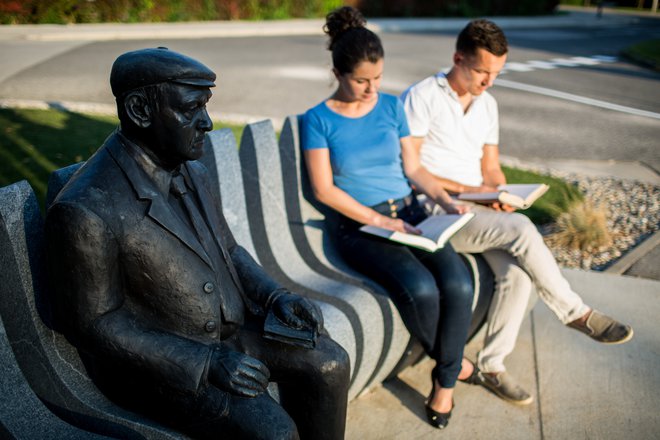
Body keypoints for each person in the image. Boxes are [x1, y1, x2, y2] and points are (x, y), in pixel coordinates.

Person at [45, 47, 350, 440]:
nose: (206, 122)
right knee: (274, 433)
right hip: (163, 365)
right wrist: (204, 362)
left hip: (227, 335)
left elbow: (231, 251)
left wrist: (276, 297)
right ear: (139, 110)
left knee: (330, 363)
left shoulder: (192, 170)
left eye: (205, 106)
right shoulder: (85, 209)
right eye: (190, 110)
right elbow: (95, 324)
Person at [402, 19, 633, 406]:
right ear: (458, 58)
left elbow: (490, 165)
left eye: (496, 73)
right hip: (438, 211)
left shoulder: (487, 103)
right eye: (481, 71)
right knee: (523, 229)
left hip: (479, 212)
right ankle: (575, 312)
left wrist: (502, 190)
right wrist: (479, 191)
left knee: (519, 277)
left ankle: (492, 366)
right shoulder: (422, 95)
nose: (489, 81)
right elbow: (414, 171)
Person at [301, 7, 477, 430]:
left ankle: (445, 380)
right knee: (420, 287)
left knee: (459, 280)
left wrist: (445, 200)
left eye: (377, 78)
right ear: (338, 72)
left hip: (411, 213)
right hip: (360, 226)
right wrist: (382, 224)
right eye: (361, 80)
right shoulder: (318, 120)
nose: (371, 89)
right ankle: (452, 371)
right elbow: (326, 191)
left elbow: (414, 169)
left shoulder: (392, 106)